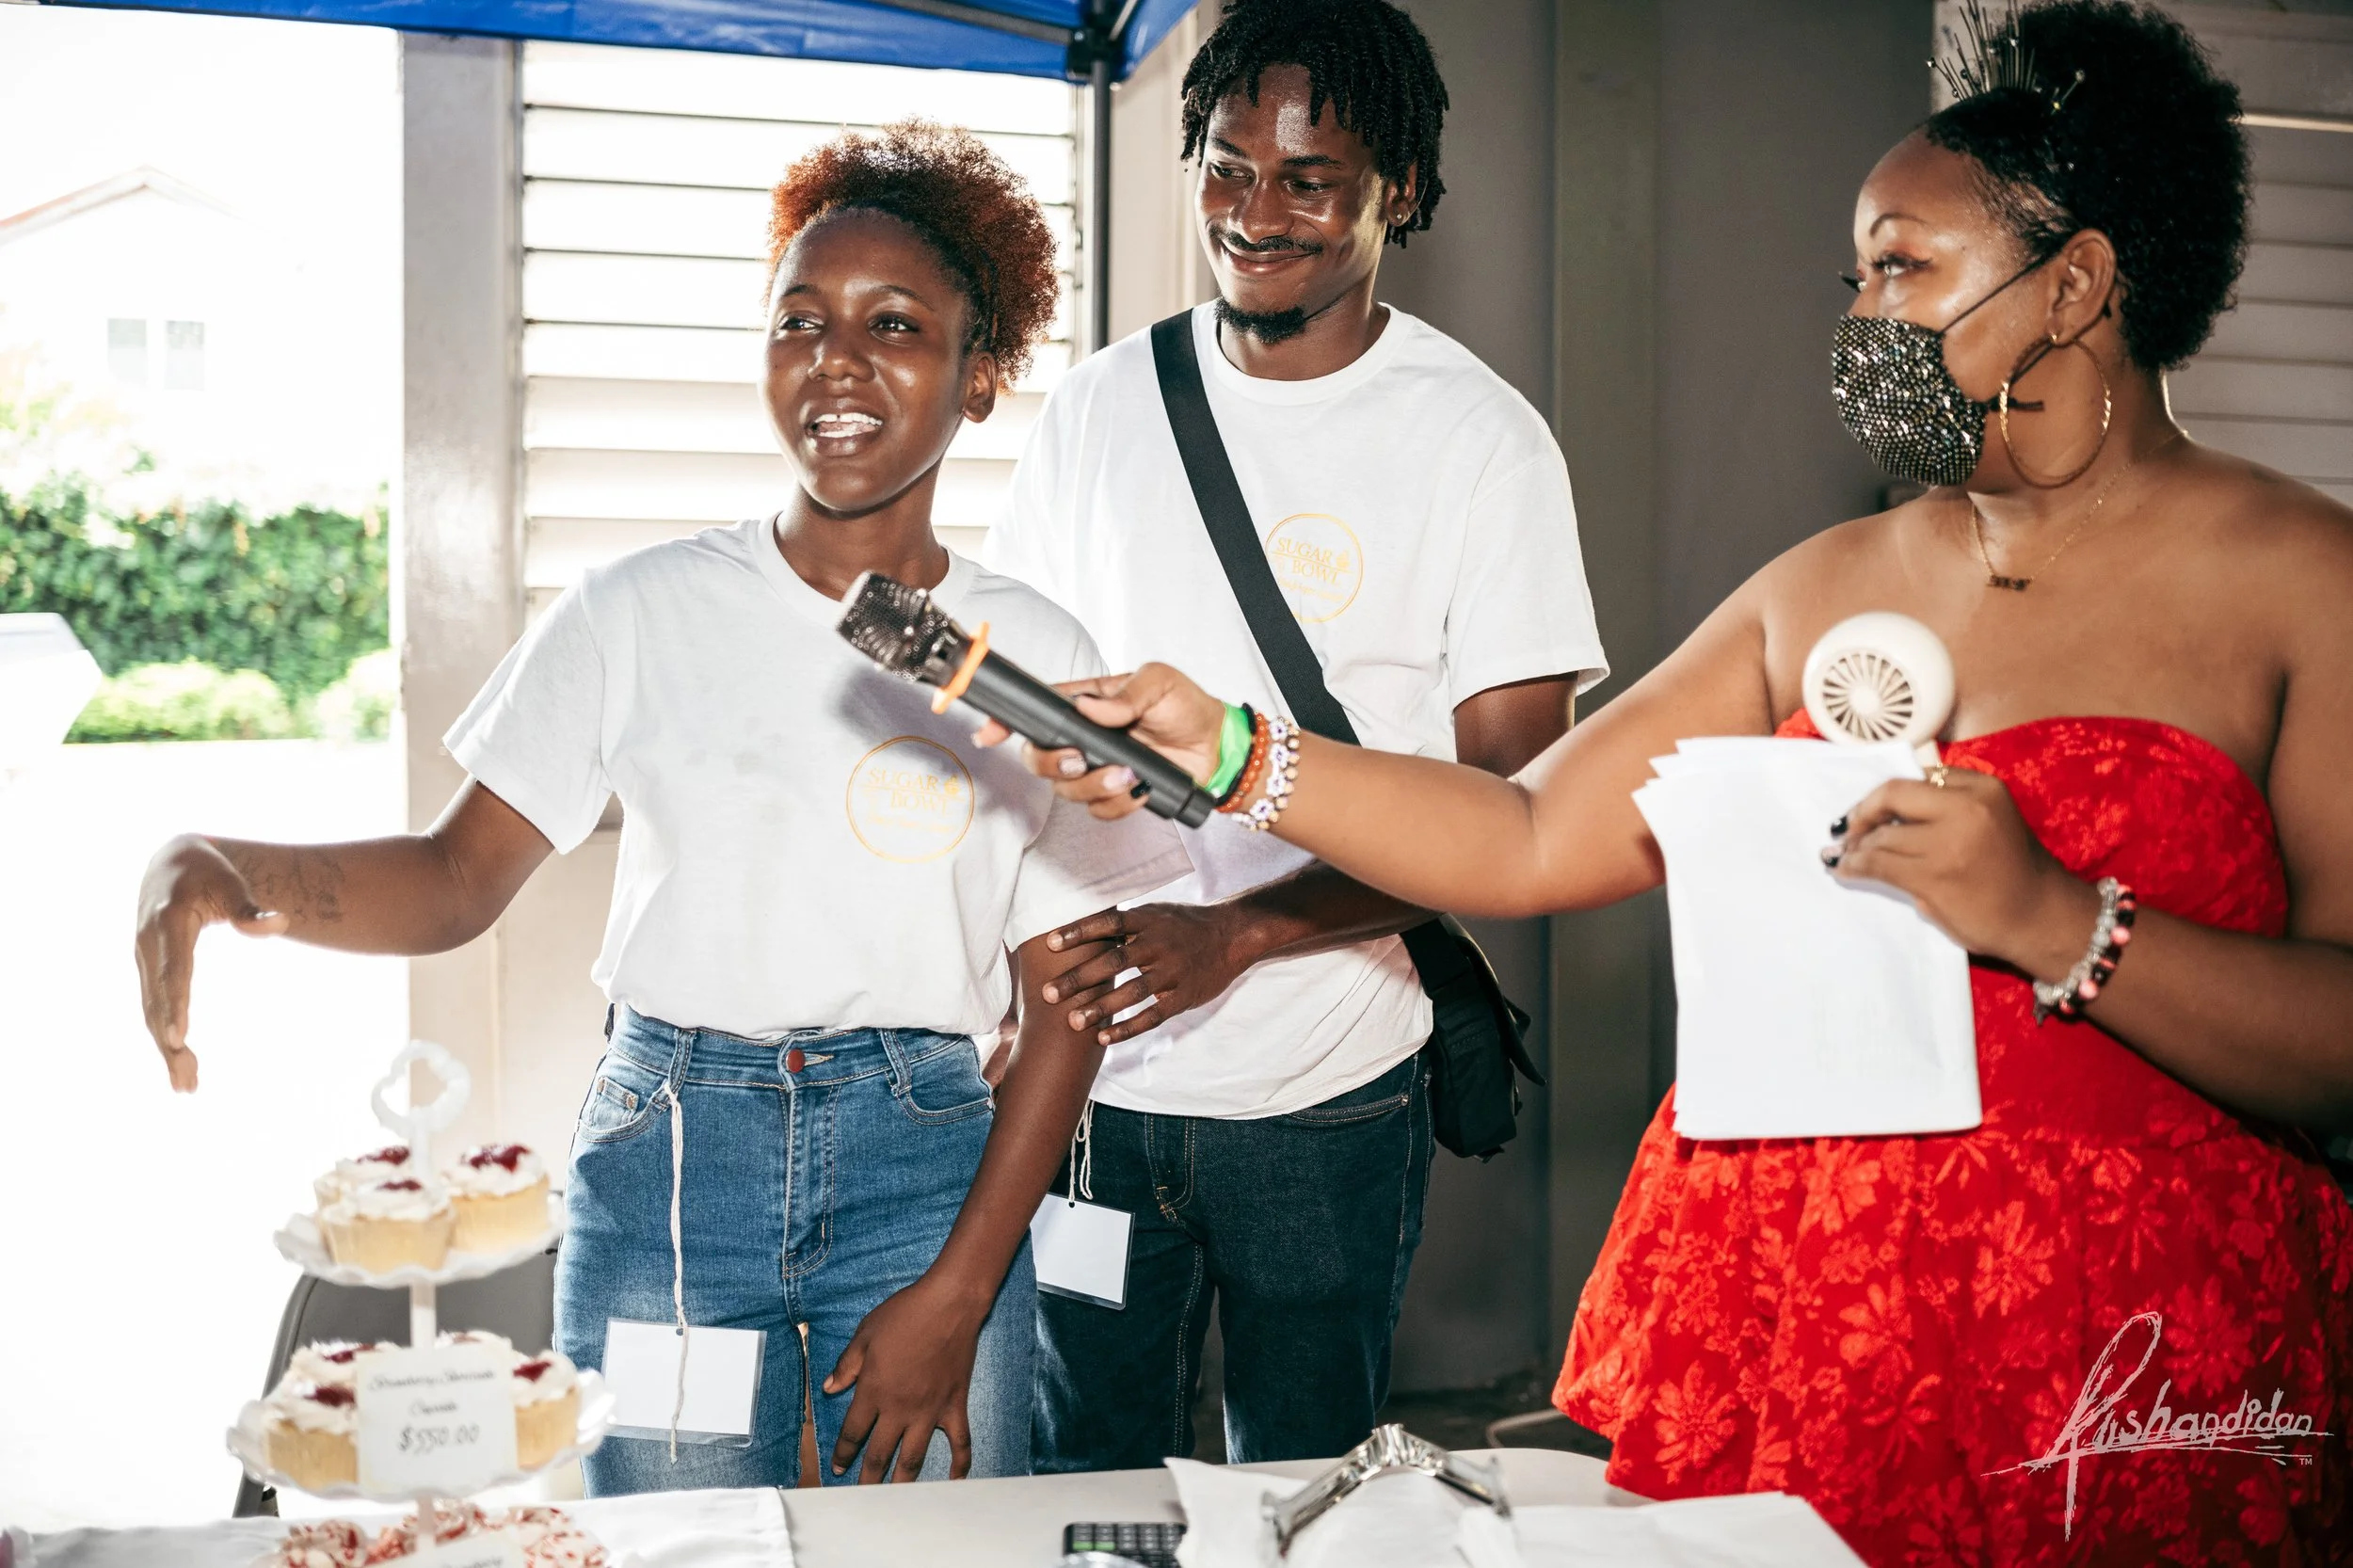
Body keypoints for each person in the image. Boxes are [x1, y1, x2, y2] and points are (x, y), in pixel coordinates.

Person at [1003, 3, 2353, 1560]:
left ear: (2080, 283)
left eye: (1904, 268)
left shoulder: (2302, 582)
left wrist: (2061, 922)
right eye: (1852, 274)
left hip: (2136, 1329)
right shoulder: (1823, 580)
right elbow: (1521, 830)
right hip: (1826, 1309)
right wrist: (1230, 749)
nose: (1861, 315)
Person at [132, 123, 1189, 1493]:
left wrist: (960, 1289)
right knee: (669, 1543)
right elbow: (457, 875)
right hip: (672, 1151)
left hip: (924, 1166)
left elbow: (1068, 997)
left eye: (895, 325)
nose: (838, 359)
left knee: (935, 1541)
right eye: (799, 320)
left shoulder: (1024, 645)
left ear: (981, 378)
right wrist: (221, 865)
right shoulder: (640, 609)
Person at [982, 0, 1607, 1470]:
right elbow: (1022, 704)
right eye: (1224, 166)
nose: (1254, 214)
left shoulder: (1482, 441)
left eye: (1309, 178)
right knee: (1092, 1485)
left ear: (1404, 191)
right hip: (1101, 1081)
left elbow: (1517, 813)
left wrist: (1242, 936)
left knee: (1311, 1482)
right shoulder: (1098, 408)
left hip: (1326, 1088)